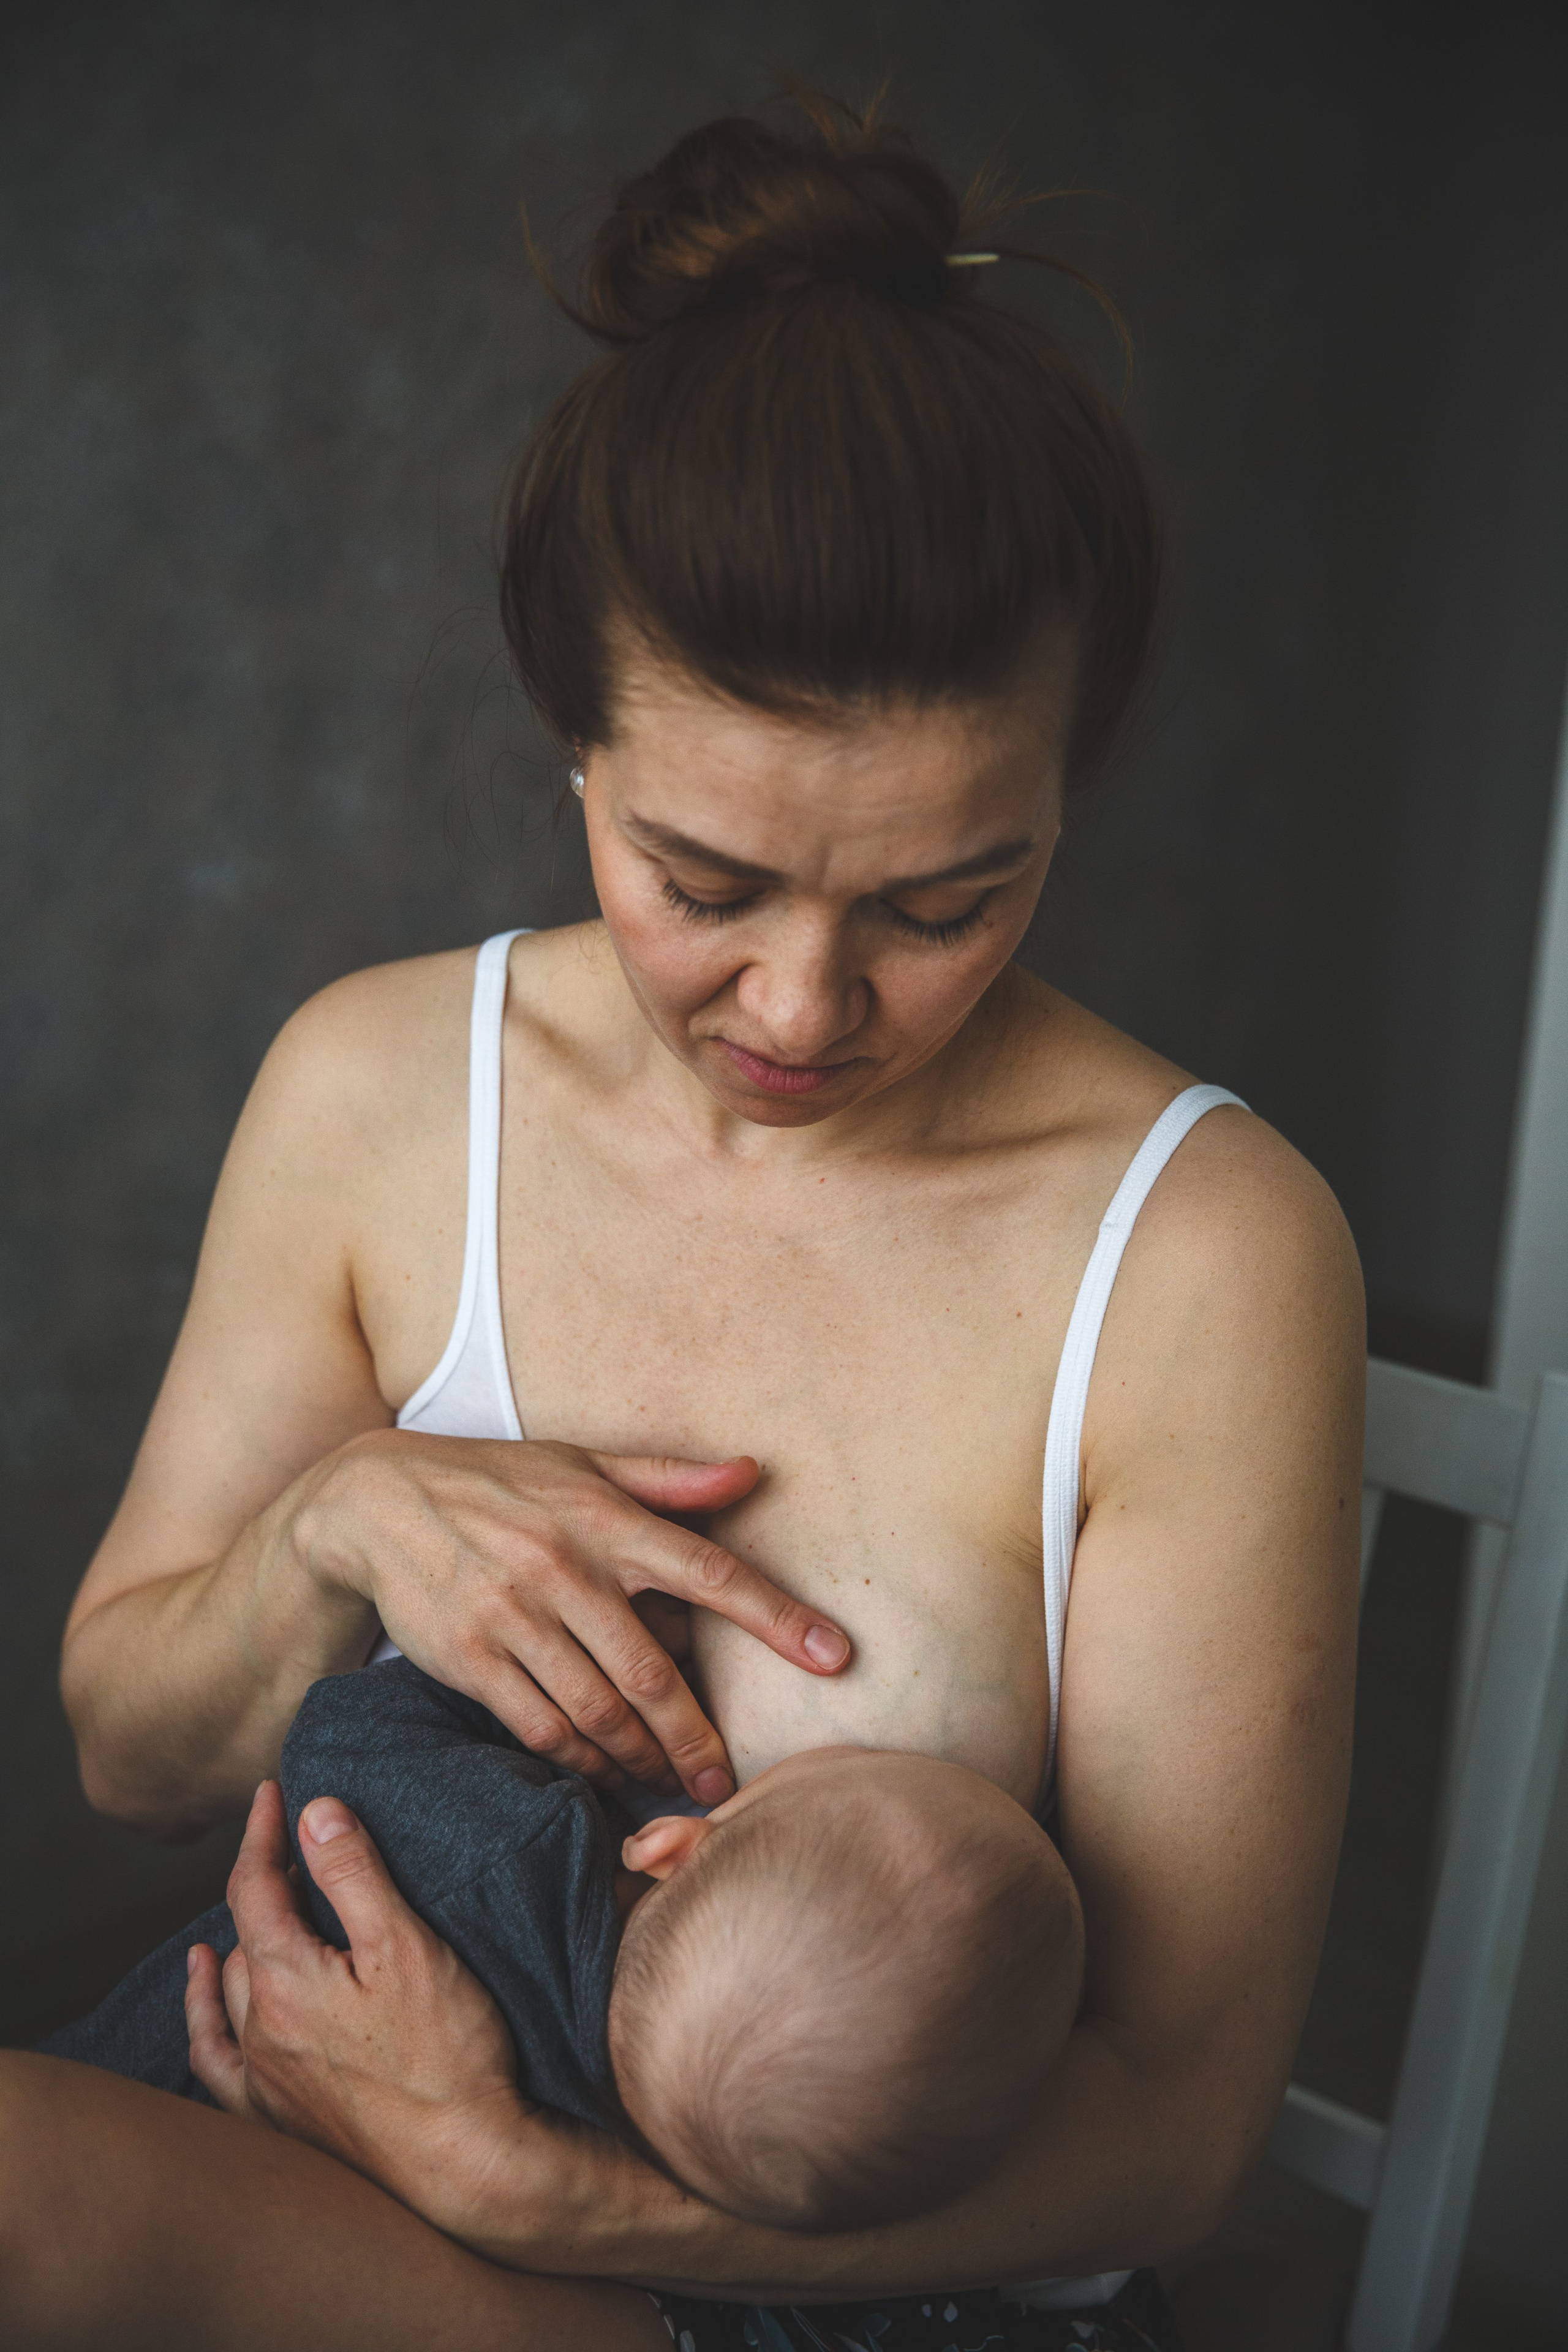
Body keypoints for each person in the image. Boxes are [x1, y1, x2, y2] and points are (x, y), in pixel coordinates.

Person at [0, 87, 1362, 2352]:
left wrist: (549, 2200)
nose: (811, 1005)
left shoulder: (1204, 1257)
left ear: (1071, 775)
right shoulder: (376, 1091)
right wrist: (334, 1523)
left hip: (761, 2307)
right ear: (575, 746)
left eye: (954, 898)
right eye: (703, 886)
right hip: (272, 2165)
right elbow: (127, 1761)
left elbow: (1180, 2128)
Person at [40, 1656, 1084, 2232]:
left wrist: (522, 1691)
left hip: (140, 2078)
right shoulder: (664, 2140)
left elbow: (342, 1731)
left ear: (670, 1846)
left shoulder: (516, 1853)